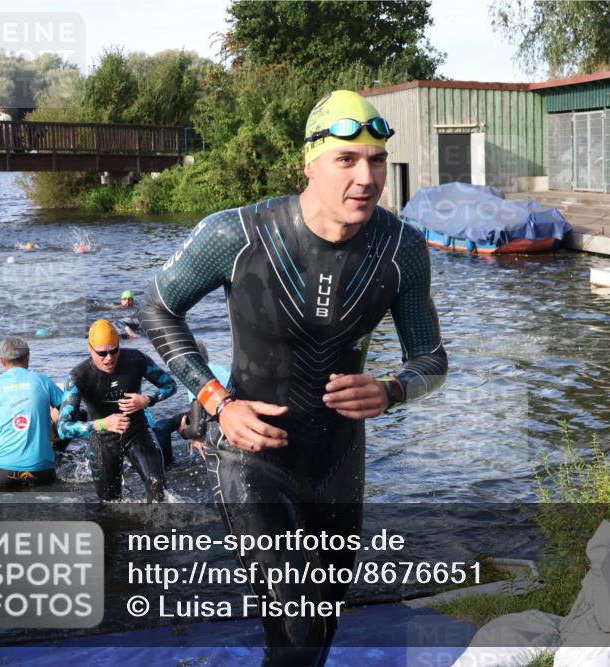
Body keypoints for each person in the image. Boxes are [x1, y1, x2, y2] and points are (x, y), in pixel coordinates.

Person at [139, 89, 447, 665]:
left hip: (335, 462)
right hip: (252, 457)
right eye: (347, 159)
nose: (366, 176)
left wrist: (392, 390)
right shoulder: (237, 234)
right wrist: (218, 401)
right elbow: (156, 308)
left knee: (315, 629)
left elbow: (431, 359)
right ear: (309, 163)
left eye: (377, 160)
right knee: (298, 623)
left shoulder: (402, 249)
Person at [57, 319, 176, 502]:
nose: (109, 358)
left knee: (157, 486)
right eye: (102, 353)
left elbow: (170, 385)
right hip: (103, 442)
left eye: (114, 351)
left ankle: (159, 530)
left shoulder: (136, 359)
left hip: (137, 432)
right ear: (90, 349)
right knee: (110, 503)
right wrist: (103, 423)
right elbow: (64, 428)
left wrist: (148, 400)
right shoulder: (78, 377)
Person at [0, 337, 64, 489]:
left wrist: (1, 441)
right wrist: (53, 431)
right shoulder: (42, 381)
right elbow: (69, 409)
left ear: (2, 361)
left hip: (5, 472)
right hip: (41, 469)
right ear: (28, 357)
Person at [149, 340, 228, 466]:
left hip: (217, 415)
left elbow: (197, 428)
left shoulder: (196, 376)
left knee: (161, 427)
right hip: (230, 408)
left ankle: (167, 466)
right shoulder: (223, 368)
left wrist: (186, 432)